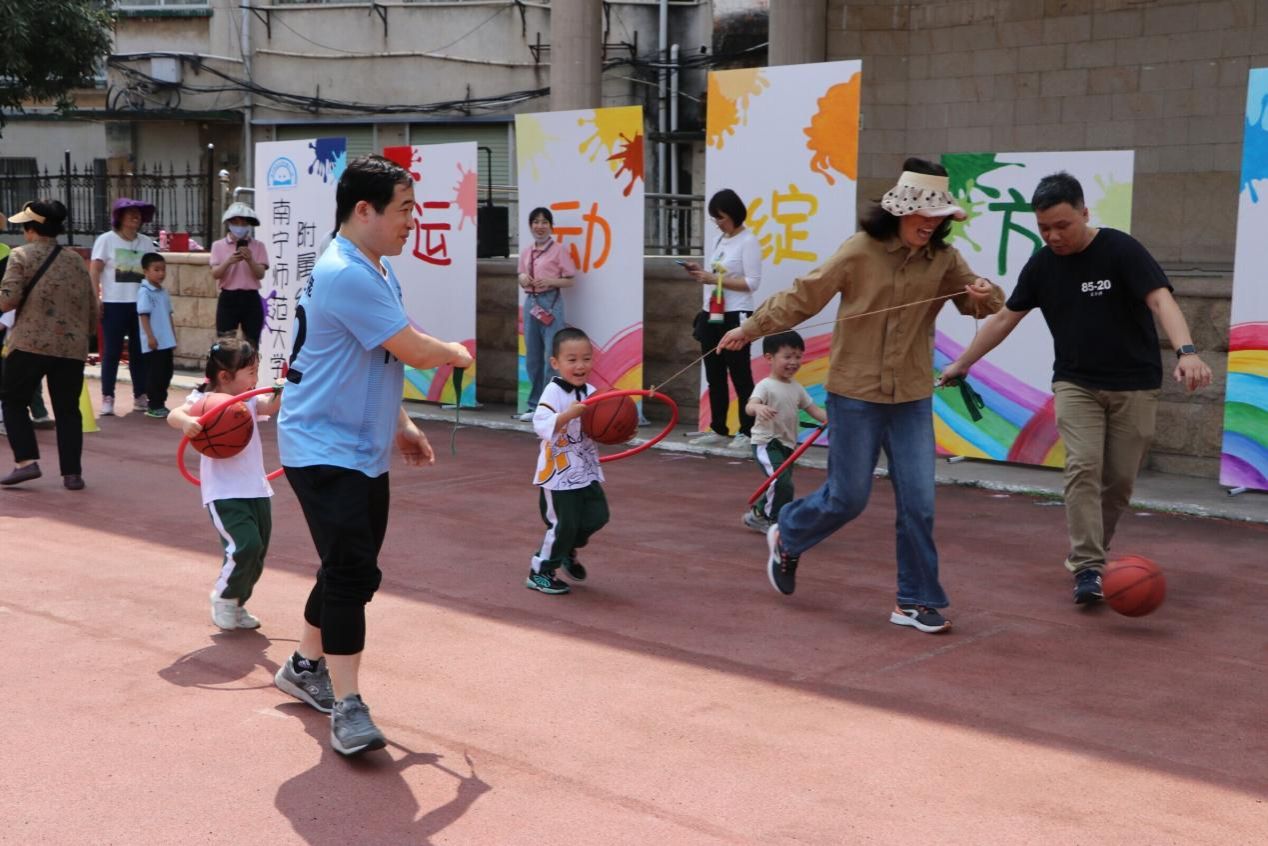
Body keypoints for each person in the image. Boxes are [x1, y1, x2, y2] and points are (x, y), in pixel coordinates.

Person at [718, 159, 1005, 634]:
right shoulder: (861, 250)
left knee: (920, 502)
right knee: (848, 498)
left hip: (911, 396)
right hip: (854, 393)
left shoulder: (945, 260)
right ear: (900, 211)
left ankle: (914, 601)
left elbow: (978, 301)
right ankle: (788, 534)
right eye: (923, 214)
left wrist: (983, 293)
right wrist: (750, 329)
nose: (930, 223)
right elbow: (804, 295)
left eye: (938, 216)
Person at [273, 154, 473, 757]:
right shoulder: (348, 272)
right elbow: (412, 349)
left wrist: (402, 423)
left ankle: (306, 665)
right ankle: (348, 703)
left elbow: (377, 357)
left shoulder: (375, 269)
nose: (413, 221)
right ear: (364, 210)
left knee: (345, 569)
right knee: (353, 570)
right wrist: (456, 353)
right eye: (404, 210)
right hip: (321, 444)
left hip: (356, 444)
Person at [937, 171, 1213, 605]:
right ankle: (1088, 566)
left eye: (1062, 225)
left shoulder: (1121, 250)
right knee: (1083, 466)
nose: (1053, 236)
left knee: (1119, 482)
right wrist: (961, 364)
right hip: (1076, 383)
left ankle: (1094, 551)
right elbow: (1006, 317)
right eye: (1044, 228)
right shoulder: (1043, 264)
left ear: (1085, 213)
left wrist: (1188, 352)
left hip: (1134, 384)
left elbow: (1161, 300)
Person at [168, 338, 280, 630]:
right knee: (245, 545)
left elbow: (270, 405)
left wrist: (284, 388)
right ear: (225, 377)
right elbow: (174, 414)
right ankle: (223, 596)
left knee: (257, 553)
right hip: (224, 492)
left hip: (256, 489)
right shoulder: (203, 401)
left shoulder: (251, 398)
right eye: (251, 372)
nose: (256, 379)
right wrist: (187, 423)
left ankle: (238, 602)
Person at [0, 200, 97, 490]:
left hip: (29, 343)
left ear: (31, 229)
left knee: (13, 401)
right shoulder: (75, 260)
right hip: (71, 347)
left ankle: (26, 462)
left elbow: (7, 299)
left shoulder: (20, 256)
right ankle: (72, 473)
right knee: (68, 410)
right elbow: (92, 306)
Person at [526, 327, 610, 595]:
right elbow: (540, 425)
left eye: (586, 358)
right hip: (559, 475)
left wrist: (620, 426)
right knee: (562, 524)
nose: (580, 365)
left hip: (585, 470)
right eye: (572, 359)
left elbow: (602, 426)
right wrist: (568, 415)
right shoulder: (553, 392)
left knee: (598, 516)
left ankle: (567, 549)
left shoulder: (593, 391)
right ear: (556, 363)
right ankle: (540, 571)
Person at [681, 188, 762, 450]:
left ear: (735, 214)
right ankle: (718, 427)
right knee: (714, 373)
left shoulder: (748, 241)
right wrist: (700, 272)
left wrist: (713, 278)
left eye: (721, 217)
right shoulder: (721, 240)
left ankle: (747, 431)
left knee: (739, 373)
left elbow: (752, 283)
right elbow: (716, 273)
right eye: (715, 218)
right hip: (712, 312)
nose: (718, 222)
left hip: (736, 314)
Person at [743, 331, 828, 534]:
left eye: (798, 356)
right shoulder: (765, 385)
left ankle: (757, 515)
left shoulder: (797, 388)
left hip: (787, 445)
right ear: (769, 358)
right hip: (767, 442)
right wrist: (758, 408)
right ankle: (775, 523)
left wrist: (834, 419)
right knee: (783, 484)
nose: (794, 362)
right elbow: (750, 406)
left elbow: (815, 411)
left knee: (780, 484)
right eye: (787, 356)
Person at [91, 197, 157, 416]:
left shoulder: (146, 243)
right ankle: (107, 397)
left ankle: (140, 395)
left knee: (140, 353)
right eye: (131, 215)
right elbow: (95, 269)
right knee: (111, 352)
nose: (135, 219)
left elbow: (153, 271)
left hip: (140, 304)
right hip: (114, 304)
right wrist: (96, 298)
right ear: (120, 218)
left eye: (138, 215)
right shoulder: (106, 240)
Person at [516, 207, 576, 421]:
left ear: (551, 226)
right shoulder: (527, 251)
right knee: (532, 357)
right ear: (530, 225)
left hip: (551, 303)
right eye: (535, 222)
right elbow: (521, 273)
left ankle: (550, 406)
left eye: (544, 222)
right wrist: (523, 278)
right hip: (531, 302)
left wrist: (550, 281)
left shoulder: (558, 250)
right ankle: (534, 406)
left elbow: (570, 279)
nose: (539, 226)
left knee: (551, 355)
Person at [209, 202, 269, 348]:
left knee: (252, 343)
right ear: (229, 223)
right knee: (225, 343)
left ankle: (249, 370)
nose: (240, 226)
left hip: (251, 297)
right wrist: (229, 261)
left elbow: (260, 274)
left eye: (244, 222)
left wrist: (250, 260)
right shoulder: (218, 245)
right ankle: (226, 370)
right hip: (228, 297)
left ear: (249, 224)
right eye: (236, 222)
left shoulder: (258, 246)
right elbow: (215, 274)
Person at [136, 253, 176, 419]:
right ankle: (154, 404)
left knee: (167, 372)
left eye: (163, 270)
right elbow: (144, 316)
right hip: (154, 343)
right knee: (156, 373)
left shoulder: (163, 292)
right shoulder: (145, 292)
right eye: (156, 270)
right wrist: (150, 337)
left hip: (166, 341)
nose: (161, 273)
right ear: (146, 271)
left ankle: (161, 402)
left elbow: (168, 315)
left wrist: (173, 336)